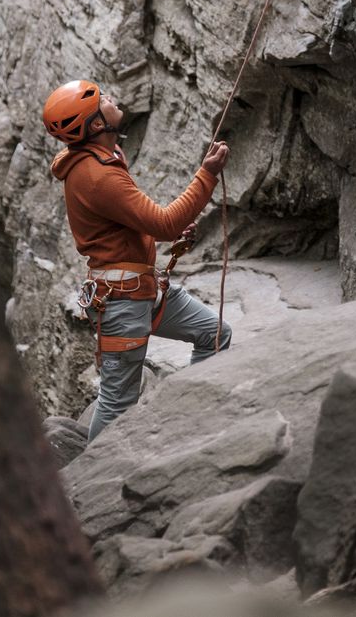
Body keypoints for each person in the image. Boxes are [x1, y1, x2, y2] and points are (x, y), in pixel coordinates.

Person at [43, 79, 232, 441]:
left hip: (140, 290)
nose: (112, 97)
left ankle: (194, 419)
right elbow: (164, 223)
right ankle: (93, 482)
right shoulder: (97, 176)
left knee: (214, 333)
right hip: (123, 301)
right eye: (104, 99)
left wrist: (160, 232)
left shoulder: (98, 160)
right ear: (97, 124)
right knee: (117, 403)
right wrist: (206, 175)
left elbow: (136, 226)